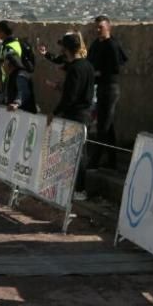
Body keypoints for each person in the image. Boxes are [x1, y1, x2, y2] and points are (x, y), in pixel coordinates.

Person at [46, 32, 95, 201]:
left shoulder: (75, 68)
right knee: (78, 151)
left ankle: (79, 189)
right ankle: (74, 187)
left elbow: (70, 97)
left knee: (78, 153)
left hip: (76, 115)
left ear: (66, 49)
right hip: (85, 113)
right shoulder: (88, 66)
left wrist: (55, 112)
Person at [86, 15, 129, 169]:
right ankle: (112, 162)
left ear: (108, 27)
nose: (98, 30)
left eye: (101, 27)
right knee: (108, 126)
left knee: (103, 127)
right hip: (101, 88)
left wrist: (99, 73)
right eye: (96, 27)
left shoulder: (112, 44)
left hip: (110, 89)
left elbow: (116, 67)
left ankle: (93, 163)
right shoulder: (97, 44)